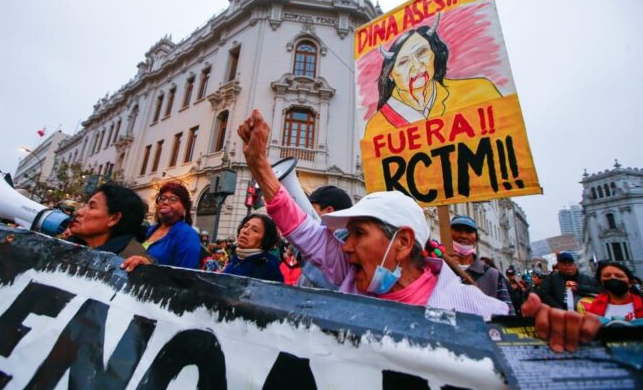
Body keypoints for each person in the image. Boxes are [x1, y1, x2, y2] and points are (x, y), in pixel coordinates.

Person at [238, 109, 601, 352]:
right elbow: (303, 229)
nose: (345, 248)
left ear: (402, 242)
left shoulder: (477, 309)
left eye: (358, 234)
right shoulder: (348, 273)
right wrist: (260, 166)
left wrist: (547, 334)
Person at [364, 14, 501, 138]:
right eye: (403, 62)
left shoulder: (480, 92)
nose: (417, 66)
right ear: (390, 75)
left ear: (433, 53)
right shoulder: (376, 128)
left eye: (421, 52)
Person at [122, 182, 201, 272]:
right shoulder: (150, 230)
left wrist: (148, 266)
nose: (165, 202)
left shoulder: (188, 236)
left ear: (184, 209)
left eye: (173, 199)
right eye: (162, 198)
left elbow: (185, 276)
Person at [67, 184, 151, 261]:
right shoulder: (69, 245)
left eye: (92, 207)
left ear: (114, 218)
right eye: (85, 206)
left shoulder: (132, 262)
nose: (79, 212)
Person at [450, 215, 514, 314]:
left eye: (469, 231)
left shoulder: (493, 276)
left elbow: (508, 314)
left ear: (476, 238)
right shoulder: (436, 269)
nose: (463, 235)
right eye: (458, 230)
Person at [297, 185, 353, 289]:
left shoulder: (347, 246)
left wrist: (301, 242)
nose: (307, 214)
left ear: (329, 211)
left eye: (313, 209)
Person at [222, 214, 283, 282]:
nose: (245, 231)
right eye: (245, 226)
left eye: (255, 230)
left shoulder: (267, 268)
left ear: (265, 239)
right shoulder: (234, 262)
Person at [578, 261, 643, 323]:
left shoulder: (640, 301)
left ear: (630, 283)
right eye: (607, 276)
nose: (613, 278)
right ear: (601, 282)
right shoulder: (596, 304)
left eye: (619, 276)